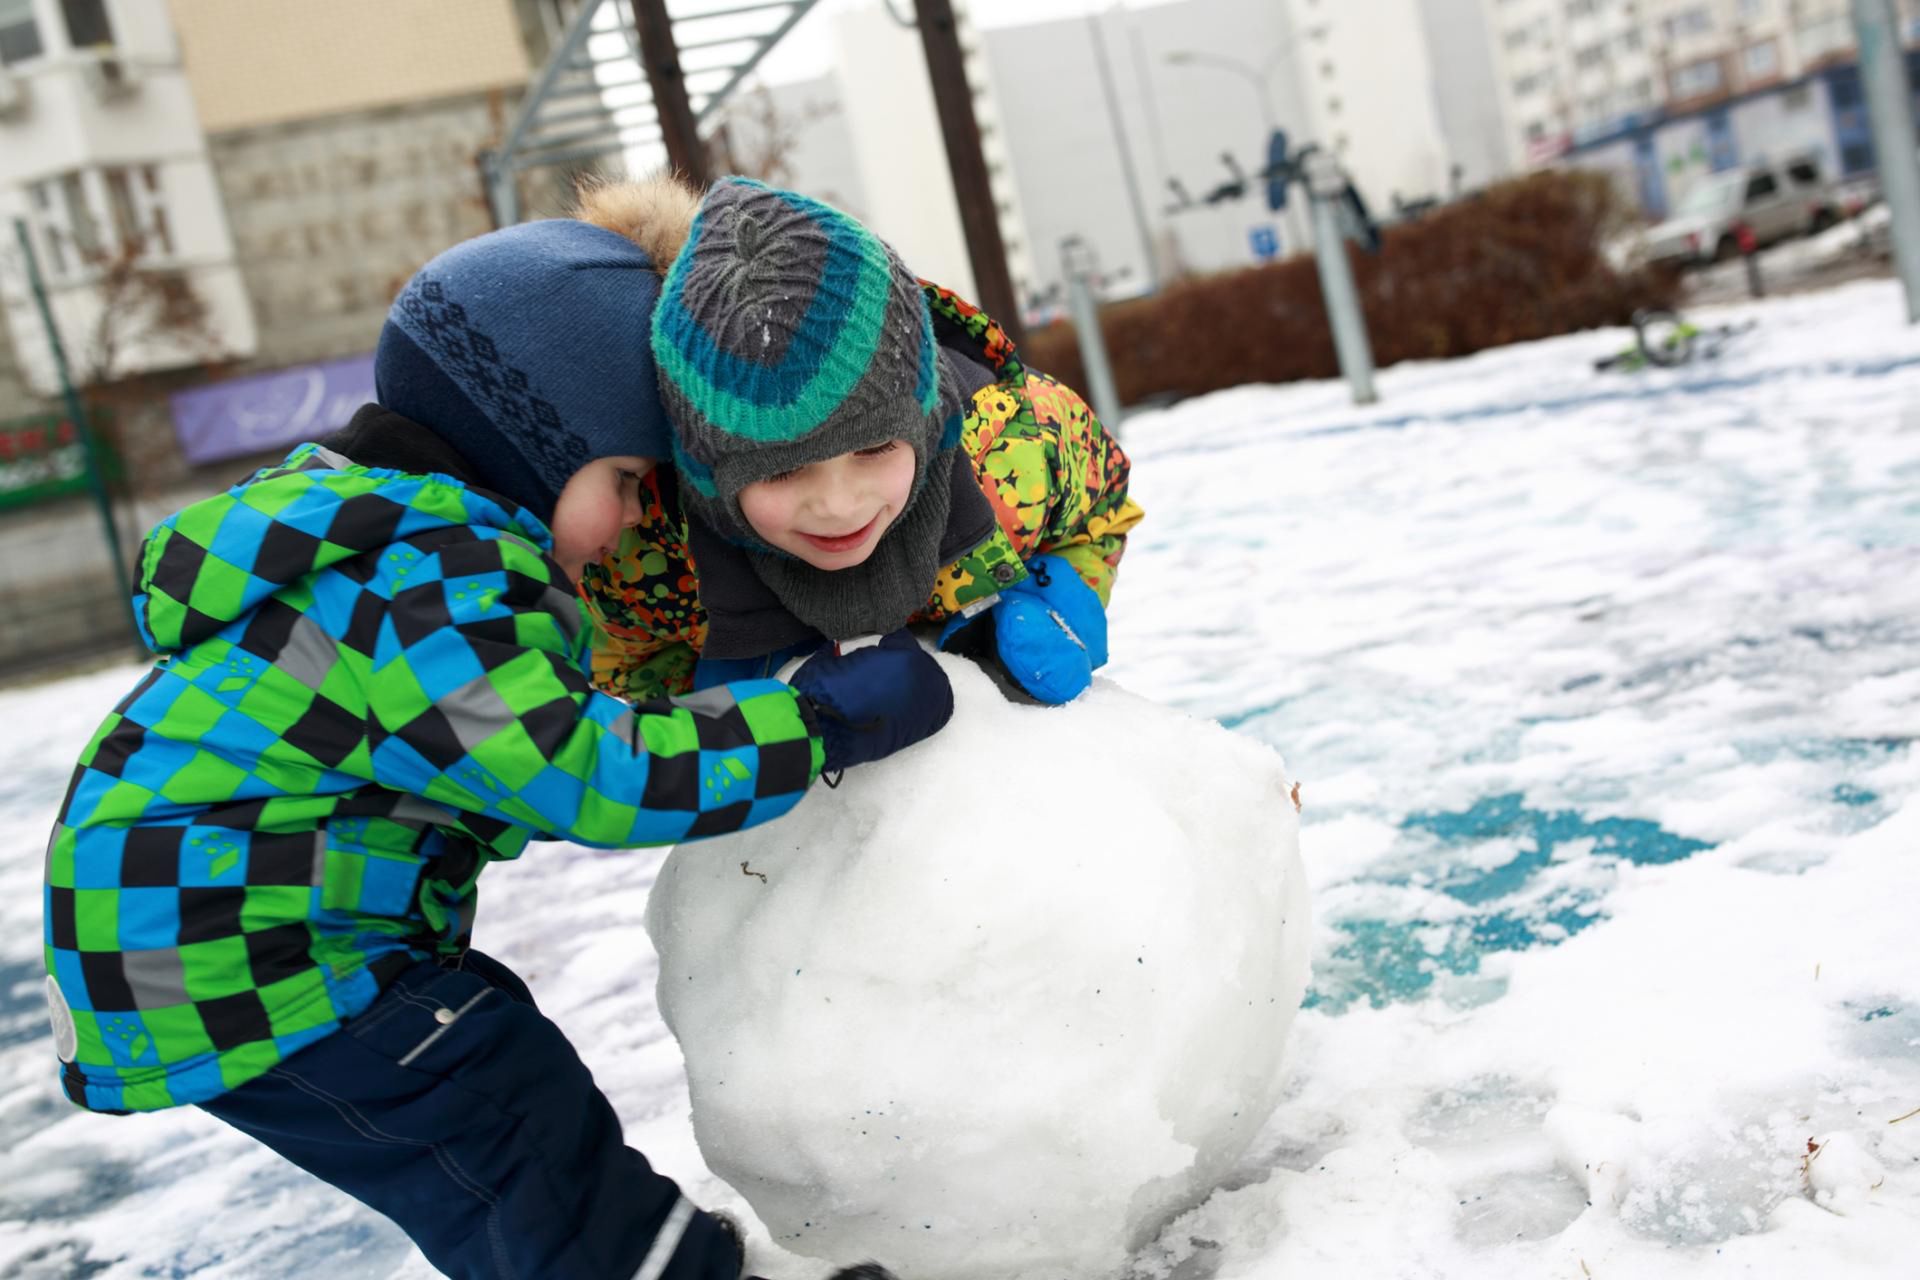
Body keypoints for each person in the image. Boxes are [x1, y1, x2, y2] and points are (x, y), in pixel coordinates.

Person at [40, 216, 948, 1280]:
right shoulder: (423, 578)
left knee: (485, 1084)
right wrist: (816, 721)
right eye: (620, 477)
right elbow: (578, 772)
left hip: (211, 931)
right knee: (495, 1114)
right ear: (536, 449)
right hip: (224, 946)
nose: (625, 519)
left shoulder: (379, 541)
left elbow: (490, 748)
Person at [568, 175, 1143, 708]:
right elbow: (623, 657)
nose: (839, 505)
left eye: (873, 449)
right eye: (779, 471)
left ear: (925, 422)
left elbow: (1102, 502)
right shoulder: (652, 554)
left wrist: (1059, 599)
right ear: (703, 473)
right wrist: (716, 702)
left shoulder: (1011, 447)